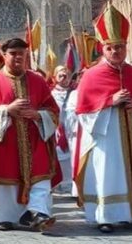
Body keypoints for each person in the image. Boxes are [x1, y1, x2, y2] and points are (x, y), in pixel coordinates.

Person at [68, 4, 132, 233]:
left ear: (126, 48)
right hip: (106, 138)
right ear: (103, 49)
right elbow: (83, 113)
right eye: (111, 48)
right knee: (108, 173)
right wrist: (109, 102)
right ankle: (106, 217)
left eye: (120, 47)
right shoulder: (91, 76)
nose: (116, 52)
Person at [0, 38, 60, 232]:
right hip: (4, 144)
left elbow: (53, 109)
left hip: (35, 141)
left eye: (22, 53)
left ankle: (37, 212)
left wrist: (38, 115)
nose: (18, 57)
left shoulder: (37, 80)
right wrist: (6, 110)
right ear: (4, 56)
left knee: (40, 176)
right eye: (13, 53)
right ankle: (4, 217)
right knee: (5, 180)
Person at [50, 65, 75, 196]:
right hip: (56, 129)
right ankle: (58, 182)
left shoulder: (75, 93)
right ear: (55, 77)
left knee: (71, 155)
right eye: (60, 75)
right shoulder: (51, 94)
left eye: (66, 76)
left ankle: (71, 183)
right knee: (58, 156)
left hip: (71, 129)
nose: (63, 78)